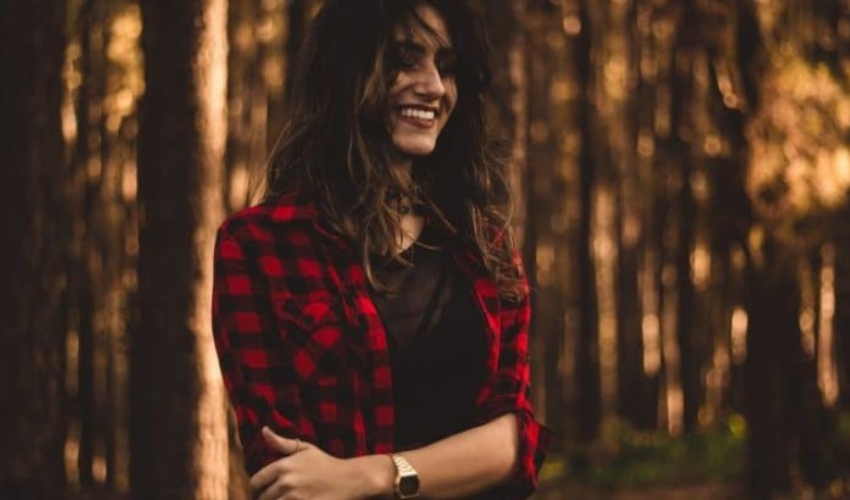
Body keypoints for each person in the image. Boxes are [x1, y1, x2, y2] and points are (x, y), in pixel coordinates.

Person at [212, 0, 550, 498]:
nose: (434, 86)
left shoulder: (483, 245)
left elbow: (514, 442)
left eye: (446, 67)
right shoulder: (258, 247)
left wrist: (372, 475)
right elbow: (285, 469)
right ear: (346, 72)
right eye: (404, 60)